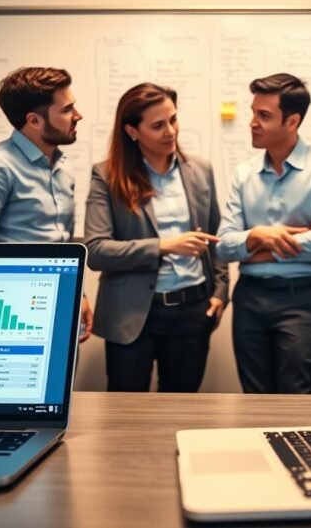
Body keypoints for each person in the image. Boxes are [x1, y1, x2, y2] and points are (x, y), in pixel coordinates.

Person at [85, 83, 229, 392]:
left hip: (193, 311)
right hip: (132, 314)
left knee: (182, 413)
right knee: (127, 416)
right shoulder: (107, 176)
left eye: (173, 120)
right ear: (132, 131)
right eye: (158, 125)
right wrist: (163, 246)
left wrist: (219, 290)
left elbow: (216, 236)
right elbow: (96, 250)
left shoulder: (200, 170)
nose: (171, 131)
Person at [216, 73, 311, 394]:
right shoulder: (244, 173)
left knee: (297, 398)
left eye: (264, 116)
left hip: (301, 298)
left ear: (292, 122)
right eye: (253, 112)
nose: (252, 122)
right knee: (254, 398)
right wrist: (262, 236)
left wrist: (255, 244)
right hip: (249, 297)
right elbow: (223, 245)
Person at [0, 66, 93, 341]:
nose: (78, 116)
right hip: (10, 315)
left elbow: (62, 244)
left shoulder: (63, 167)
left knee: (61, 383)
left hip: (60, 306)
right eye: (67, 110)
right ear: (34, 120)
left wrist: (80, 294)